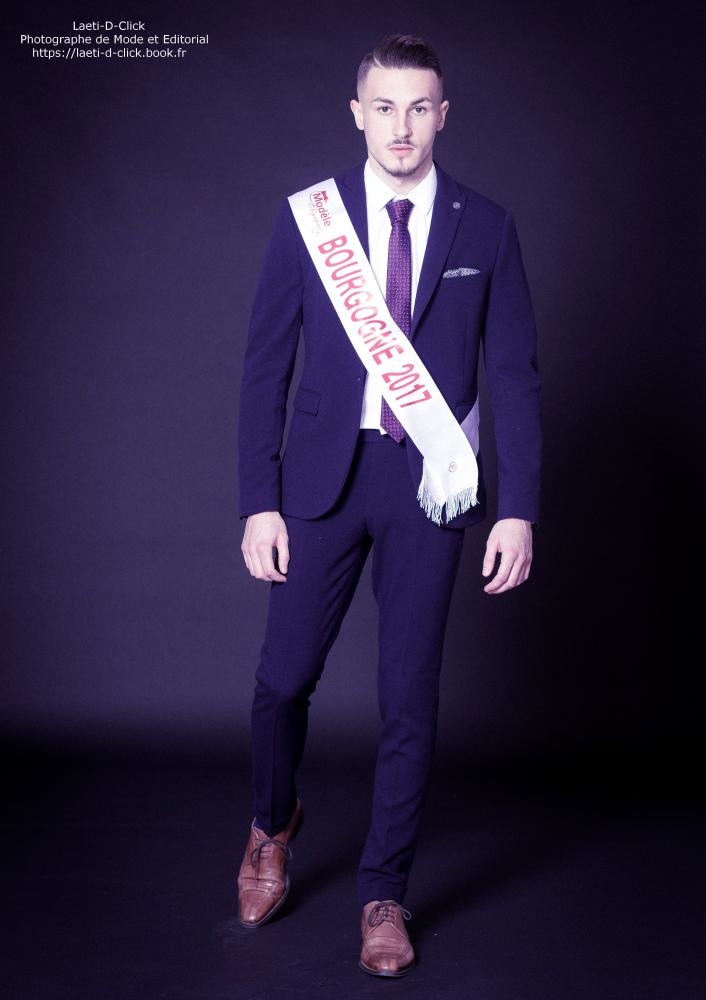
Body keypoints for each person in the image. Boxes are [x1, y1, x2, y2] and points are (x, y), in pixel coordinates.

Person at [236, 33, 541, 977]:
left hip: (430, 486)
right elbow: (265, 367)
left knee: (409, 696)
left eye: (418, 108)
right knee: (283, 679)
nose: (401, 127)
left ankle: (384, 893)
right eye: (384, 107)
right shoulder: (310, 220)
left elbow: (515, 376)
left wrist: (519, 507)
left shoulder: (487, 228)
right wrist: (259, 501)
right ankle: (271, 823)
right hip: (322, 483)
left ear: (442, 116)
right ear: (357, 114)